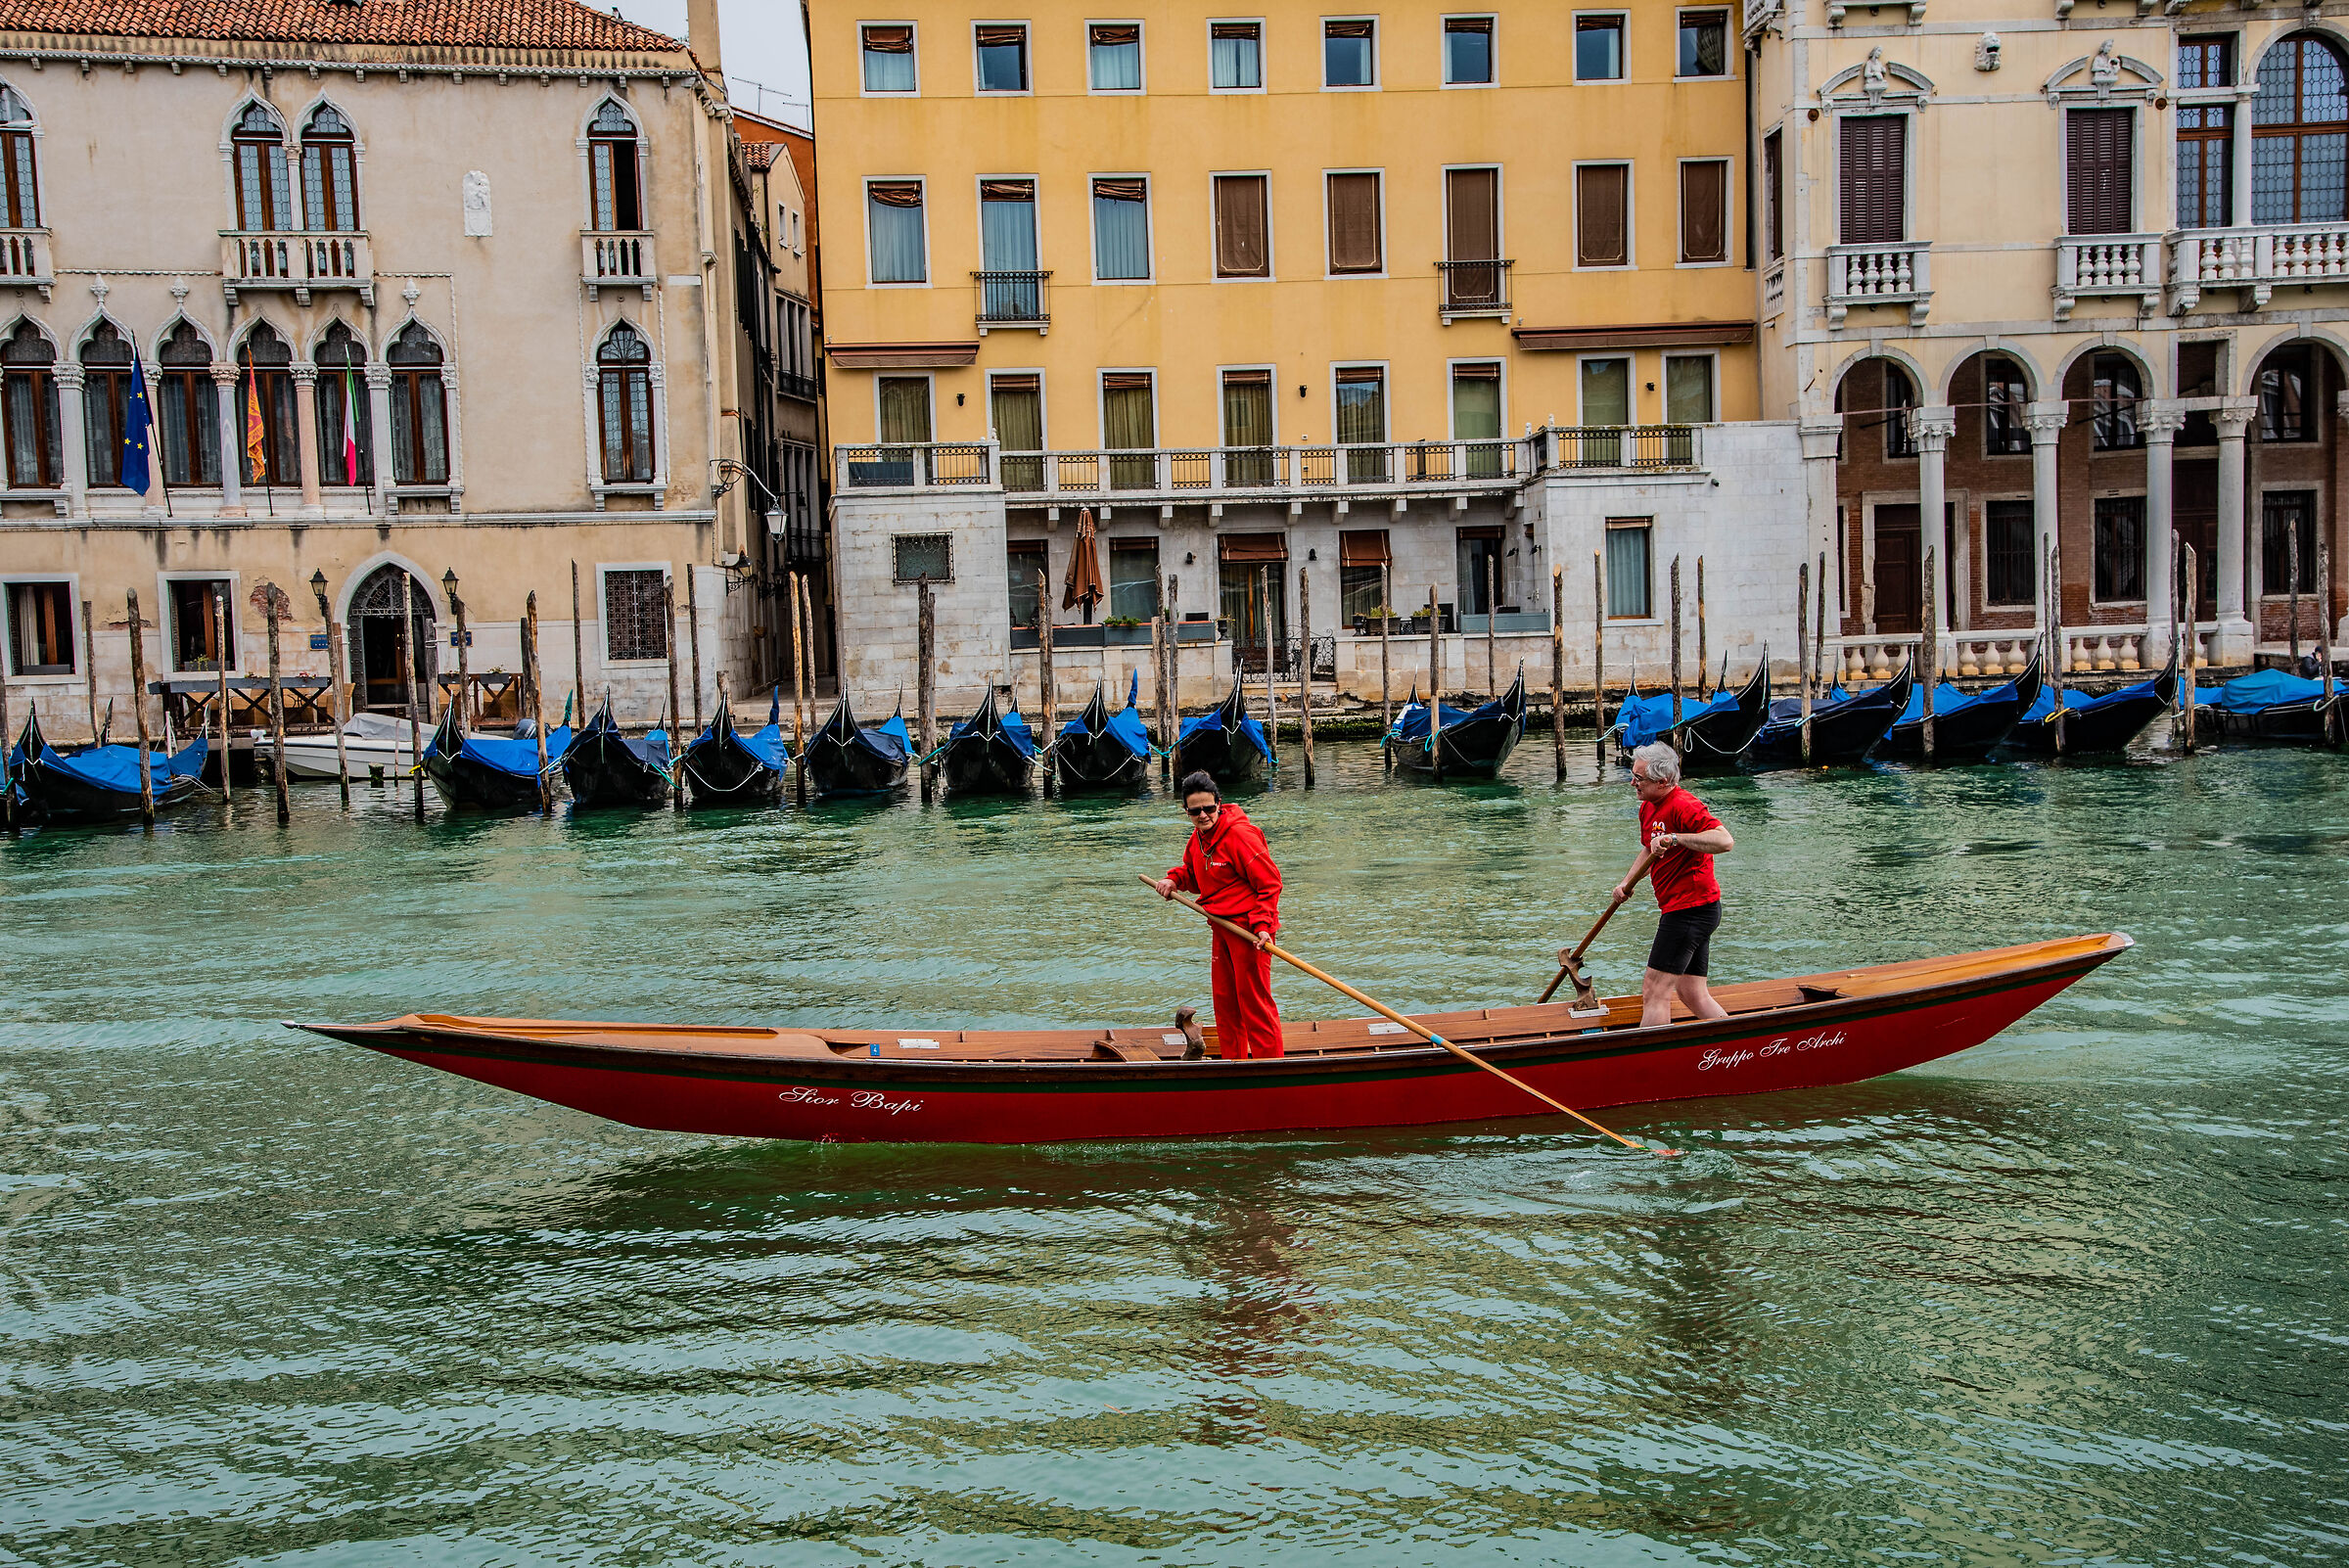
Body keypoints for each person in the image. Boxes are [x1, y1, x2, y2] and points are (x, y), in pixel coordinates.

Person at [1580, 741, 1735, 1029]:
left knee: (1654, 991)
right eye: (1633, 774)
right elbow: (1649, 848)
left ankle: (1649, 1063)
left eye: (1639, 778)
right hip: (1690, 909)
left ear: (1662, 782)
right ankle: (1738, 1041)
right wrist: (1626, 883)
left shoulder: (1684, 805)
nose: (1632, 783)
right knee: (1691, 992)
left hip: (1691, 910)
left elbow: (1724, 841)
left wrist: (1676, 838)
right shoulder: (1649, 807)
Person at [1153, 770, 1285, 1059]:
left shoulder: (1240, 836)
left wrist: (1263, 925)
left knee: (1254, 1004)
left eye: (1209, 808)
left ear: (1219, 804)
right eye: (1195, 810)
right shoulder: (1198, 839)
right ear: (1186, 811)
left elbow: (1270, 883)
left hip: (1250, 933)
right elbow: (1195, 874)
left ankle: (1271, 1069)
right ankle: (1234, 1064)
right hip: (1220, 926)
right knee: (1226, 1003)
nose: (1203, 815)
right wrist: (1174, 880)